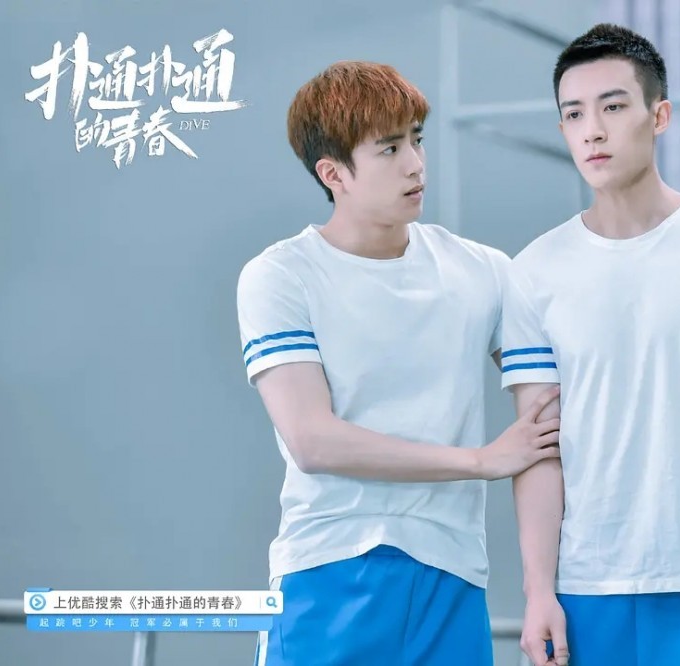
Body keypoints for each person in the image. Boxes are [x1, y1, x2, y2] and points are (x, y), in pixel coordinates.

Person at [236, 60, 562, 666]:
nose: (415, 164)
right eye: (389, 148)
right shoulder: (281, 275)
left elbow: (550, 416)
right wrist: (480, 461)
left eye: (416, 139)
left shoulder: (484, 271)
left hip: (453, 577)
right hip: (327, 573)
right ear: (333, 173)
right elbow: (313, 440)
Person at [503, 24, 680, 666]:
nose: (592, 131)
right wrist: (537, 591)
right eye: (574, 114)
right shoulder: (531, 272)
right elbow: (539, 446)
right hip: (585, 588)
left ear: (658, 115)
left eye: (612, 107)